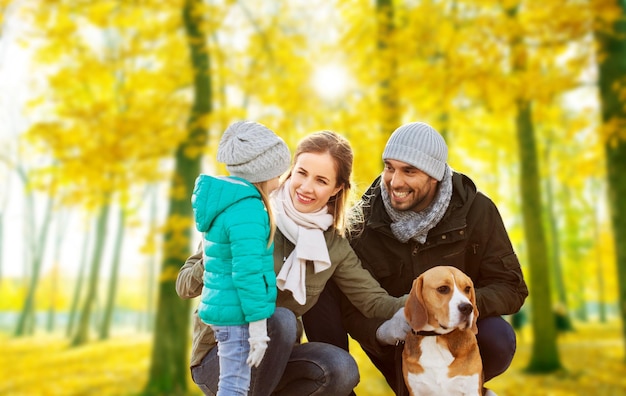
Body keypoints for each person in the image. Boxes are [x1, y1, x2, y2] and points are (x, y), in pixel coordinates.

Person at [302, 122, 529, 396]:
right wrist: (385, 330)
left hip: (462, 336)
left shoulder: (477, 211)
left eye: (409, 171)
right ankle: (338, 387)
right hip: (396, 341)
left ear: (435, 175)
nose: (395, 182)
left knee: (499, 337)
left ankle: (468, 387)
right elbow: (352, 305)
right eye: (389, 167)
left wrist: (455, 307)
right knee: (321, 272)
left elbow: (511, 287)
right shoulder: (363, 221)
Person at [177, 129, 408, 396]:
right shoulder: (249, 214)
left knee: (341, 367)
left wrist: (432, 301)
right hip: (221, 355)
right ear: (290, 170)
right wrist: (218, 255)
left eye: (321, 180)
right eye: (302, 173)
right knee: (280, 319)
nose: (306, 187)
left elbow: (374, 301)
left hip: (277, 362)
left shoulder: (332, 246)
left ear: (336, 189)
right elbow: (184, 287)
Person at [191, 120, 291, 395]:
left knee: (235, 382)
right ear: (263, 171)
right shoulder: (248, 210)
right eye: (280, 171)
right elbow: (247, 271)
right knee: (234, 385)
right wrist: (258, 327)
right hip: (236, 315)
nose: (283, 178)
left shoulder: (228, 202)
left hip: (225, 309)